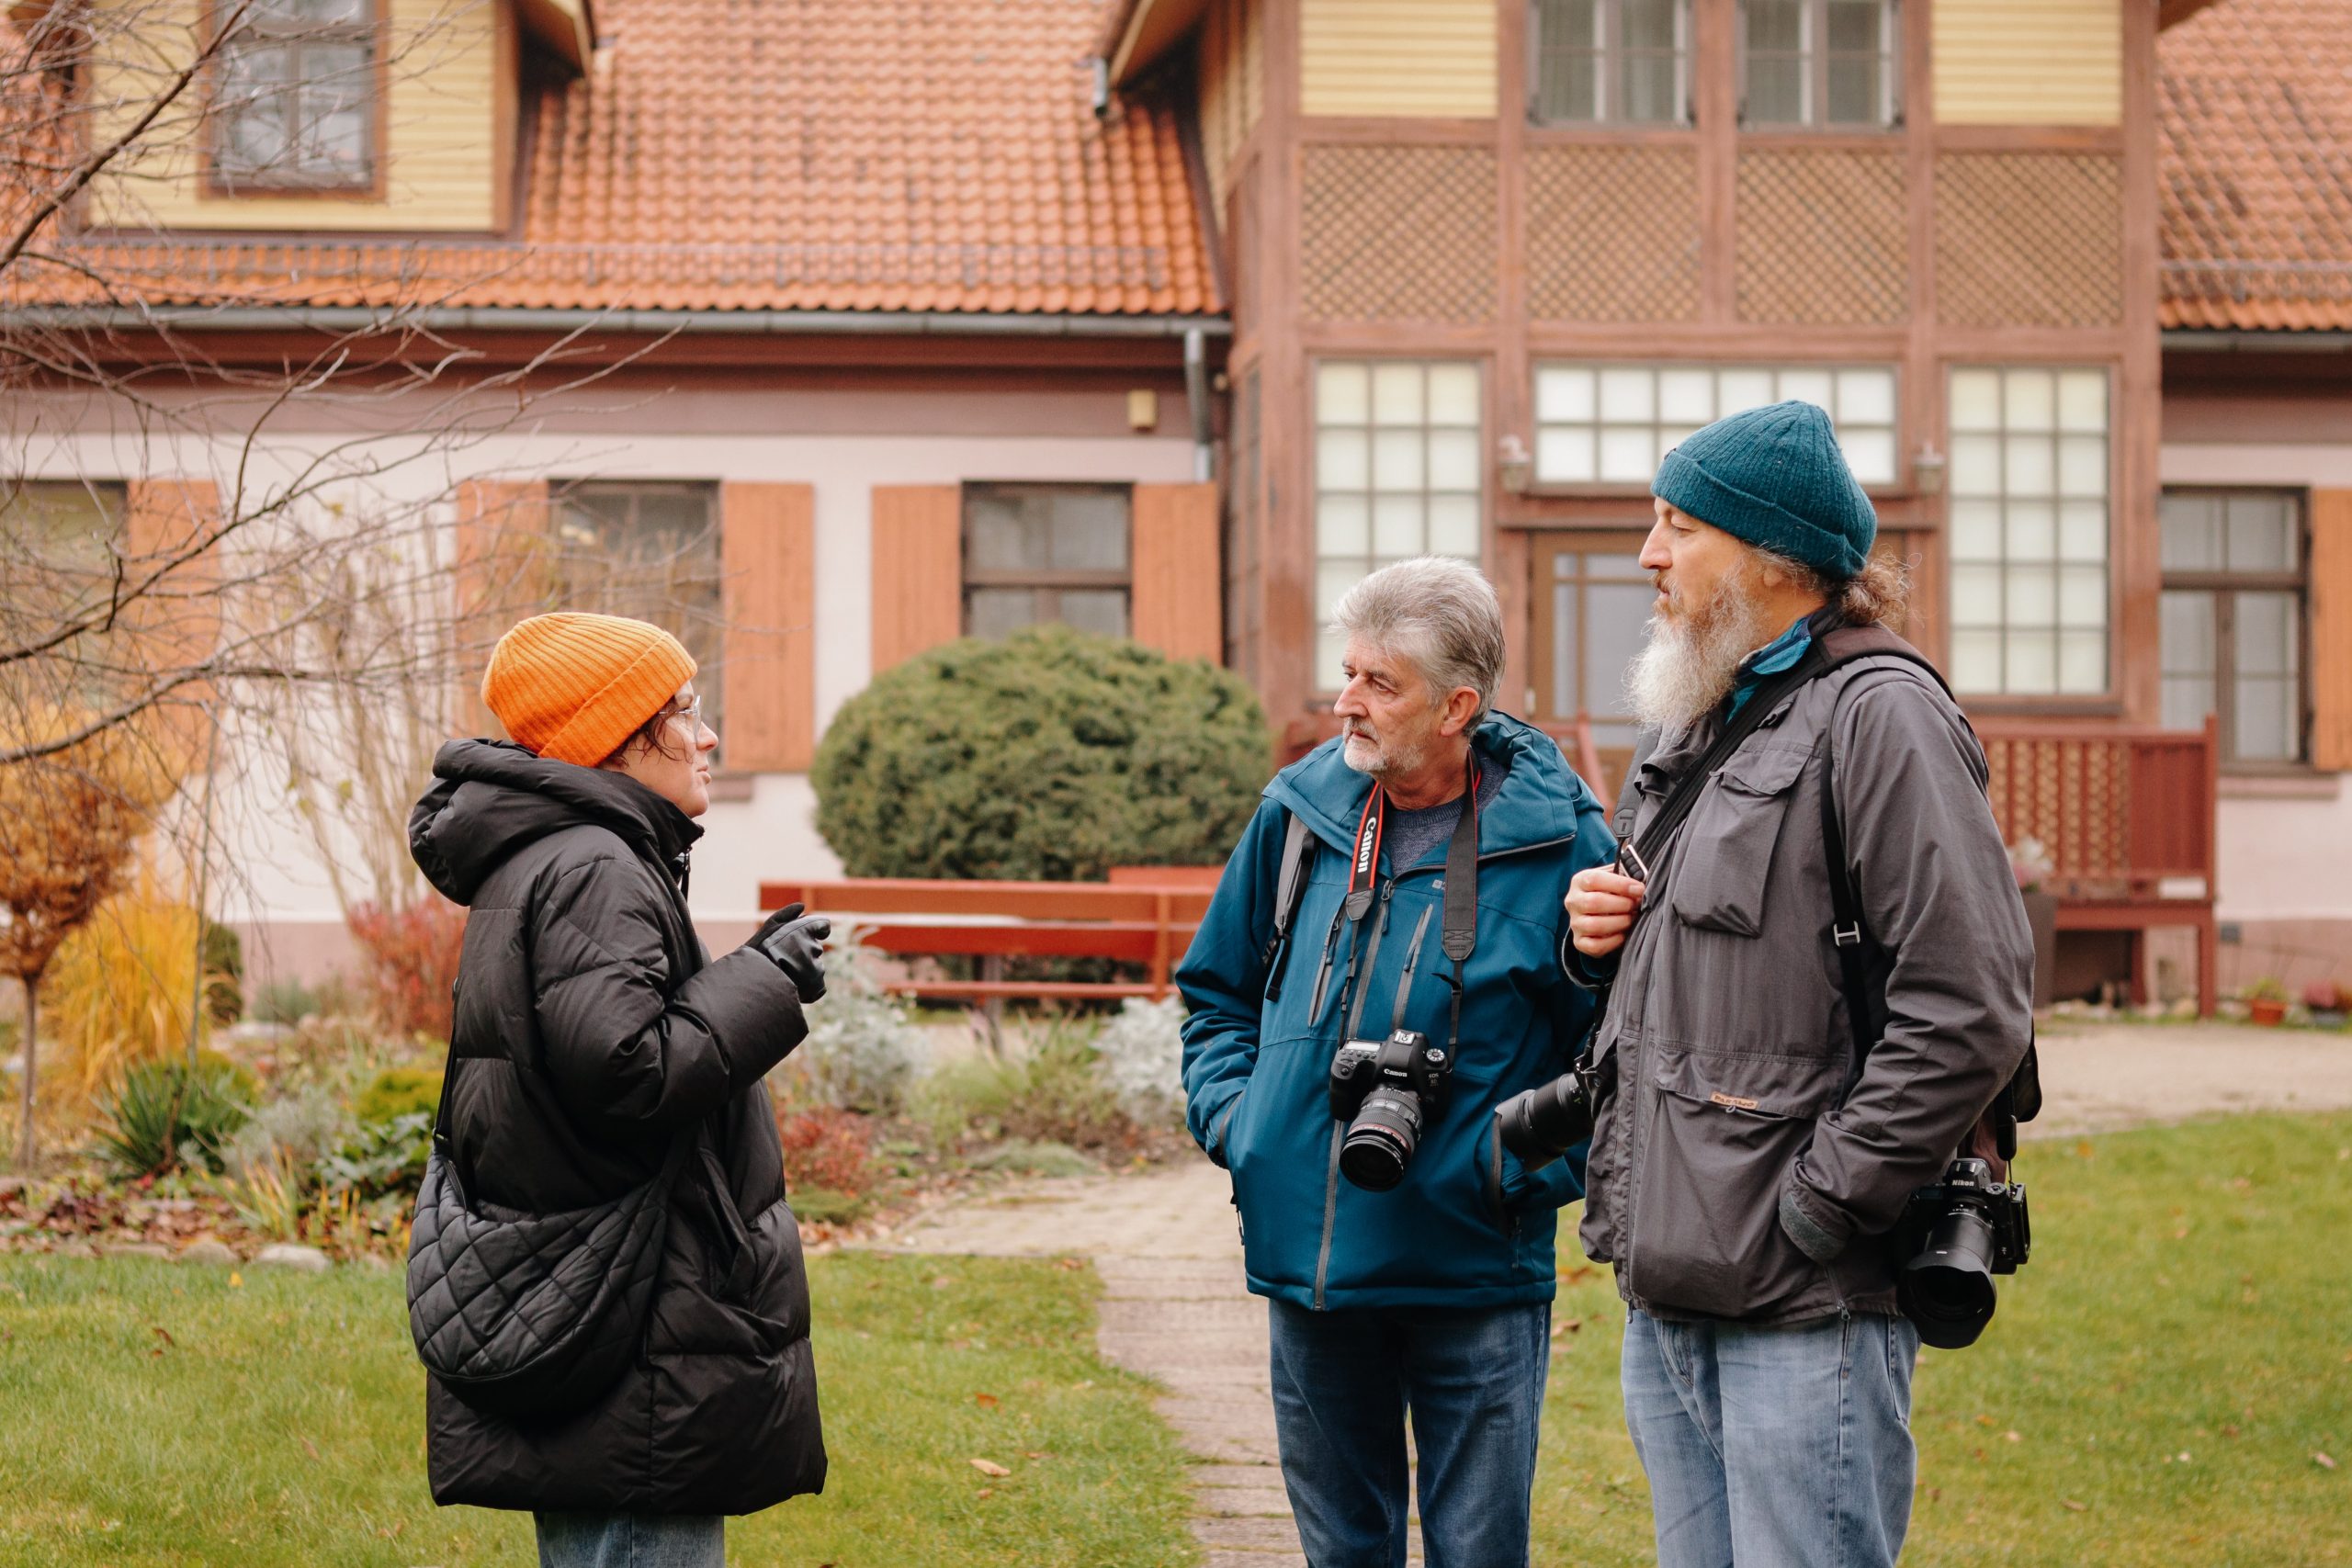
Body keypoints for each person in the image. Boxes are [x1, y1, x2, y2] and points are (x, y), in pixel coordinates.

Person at [1563, 402, 2034, 1568]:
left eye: (1679, 527)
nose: (1648, 555)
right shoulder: (1694, 715)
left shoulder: (1884, 716)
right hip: (1670, 1282)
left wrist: (1822, 1207)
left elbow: (1969, 1007)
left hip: (1804, 1301)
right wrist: (1595, 940)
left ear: (1773, 558)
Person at [1178, 557, 1615, 1568]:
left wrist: (1512, 1171)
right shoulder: (1299, 813)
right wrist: (1245, 1126)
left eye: (1380, 683)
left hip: (1474, 1271)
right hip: (1312, 1268)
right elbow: (1216, 992)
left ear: (1457, 706)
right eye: (1349, 673)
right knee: (1342, 1552)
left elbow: (1615, 1056)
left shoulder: (1564, 843)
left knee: (1478, 1552)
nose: (1348, 702)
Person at [408, 612, 833, 1568]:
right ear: (617, 736)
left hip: (606, 1299)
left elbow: (601, 1040)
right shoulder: (593, 865)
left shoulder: (559, 853)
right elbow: (628, 1072)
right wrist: (767, 981)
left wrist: (753, 968)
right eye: (683, 711)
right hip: (633, 1321)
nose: (708, 735)